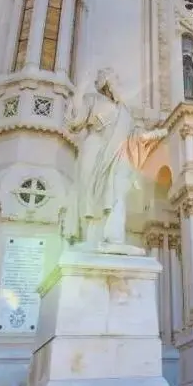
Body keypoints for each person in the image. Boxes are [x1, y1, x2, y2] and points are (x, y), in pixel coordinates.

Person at [63, 68, 165, 252]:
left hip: (115, 156)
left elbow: (134, 137)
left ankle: (112, 238)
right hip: (93, 150)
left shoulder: (124, 111)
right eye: (116, 81)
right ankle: (90, 238)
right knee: (89, 192)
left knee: (115, 194)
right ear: (108, 84)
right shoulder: (93, 100)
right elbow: (75, 121)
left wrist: (155, 134)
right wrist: (79, 91)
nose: (119, 85)